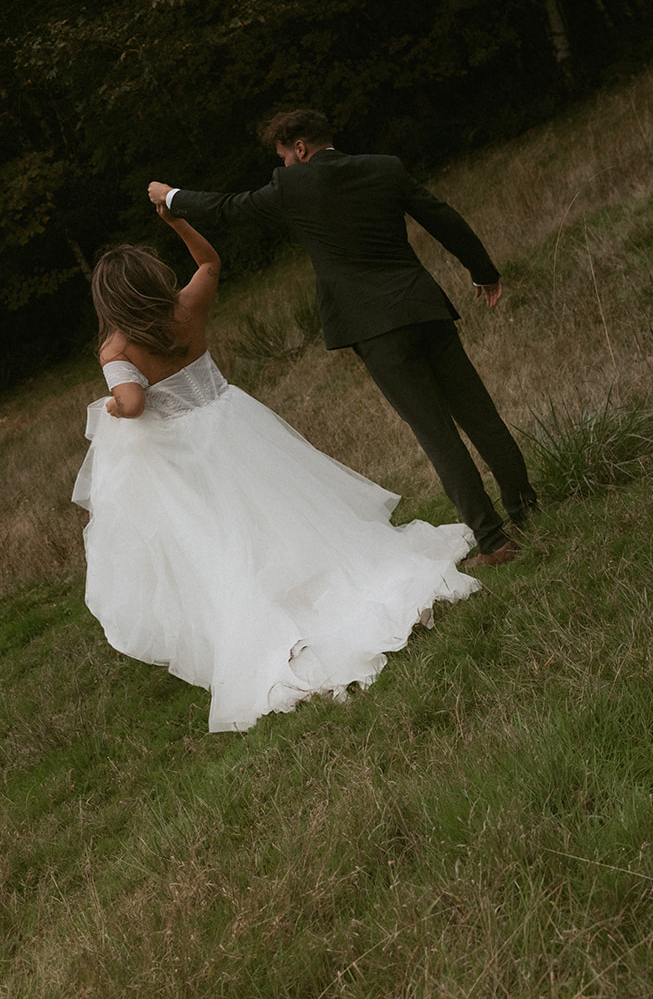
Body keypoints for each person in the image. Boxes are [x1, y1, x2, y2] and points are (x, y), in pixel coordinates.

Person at [72, 204, 480, 735]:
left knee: (228, 536)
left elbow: (134, 403)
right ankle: (332, 583)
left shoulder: (117, 347)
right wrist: (175, 220)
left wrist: (114, 409)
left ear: (108, 301)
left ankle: (276, 622)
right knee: (286, 509)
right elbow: (210, 261)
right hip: (234, 423)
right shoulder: (186, 308)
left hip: (188, 456)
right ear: (151, 279)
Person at [147, 109, 537, 568]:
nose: (285, 167)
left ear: (299, 149)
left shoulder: (293, 185)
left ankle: (493, 543)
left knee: (437, 435)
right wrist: (483, 272)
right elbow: (442, 217)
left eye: (284, 157)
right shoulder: (384, 167)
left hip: (373, 328)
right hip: (424, 308)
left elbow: (231, 208)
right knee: (479, 413)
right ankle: (526, 511)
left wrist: (170, 196)